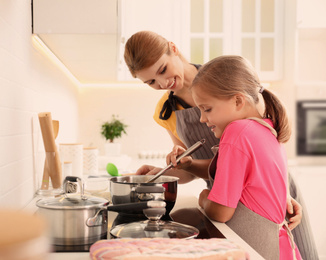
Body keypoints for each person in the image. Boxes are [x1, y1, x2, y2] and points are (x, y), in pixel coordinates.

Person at [124, 31, 318, 259]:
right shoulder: (166, 111)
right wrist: (168, 171)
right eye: (151, 83)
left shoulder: (222, 76)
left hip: (268, 192)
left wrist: (279, 190)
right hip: (226, 195)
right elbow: (206, 166)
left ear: (173, 48)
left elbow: (264, 152)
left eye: (163, 70)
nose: (163, 83)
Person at [171, 55, 300, 259]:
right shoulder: (267, 127)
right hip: (282, 249)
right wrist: (189, 164)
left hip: (259, 250)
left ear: (238, 100)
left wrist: (204, 199)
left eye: (207, 109)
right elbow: (230, 172)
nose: (202, 119)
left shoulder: (237, 132)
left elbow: (221, 211)